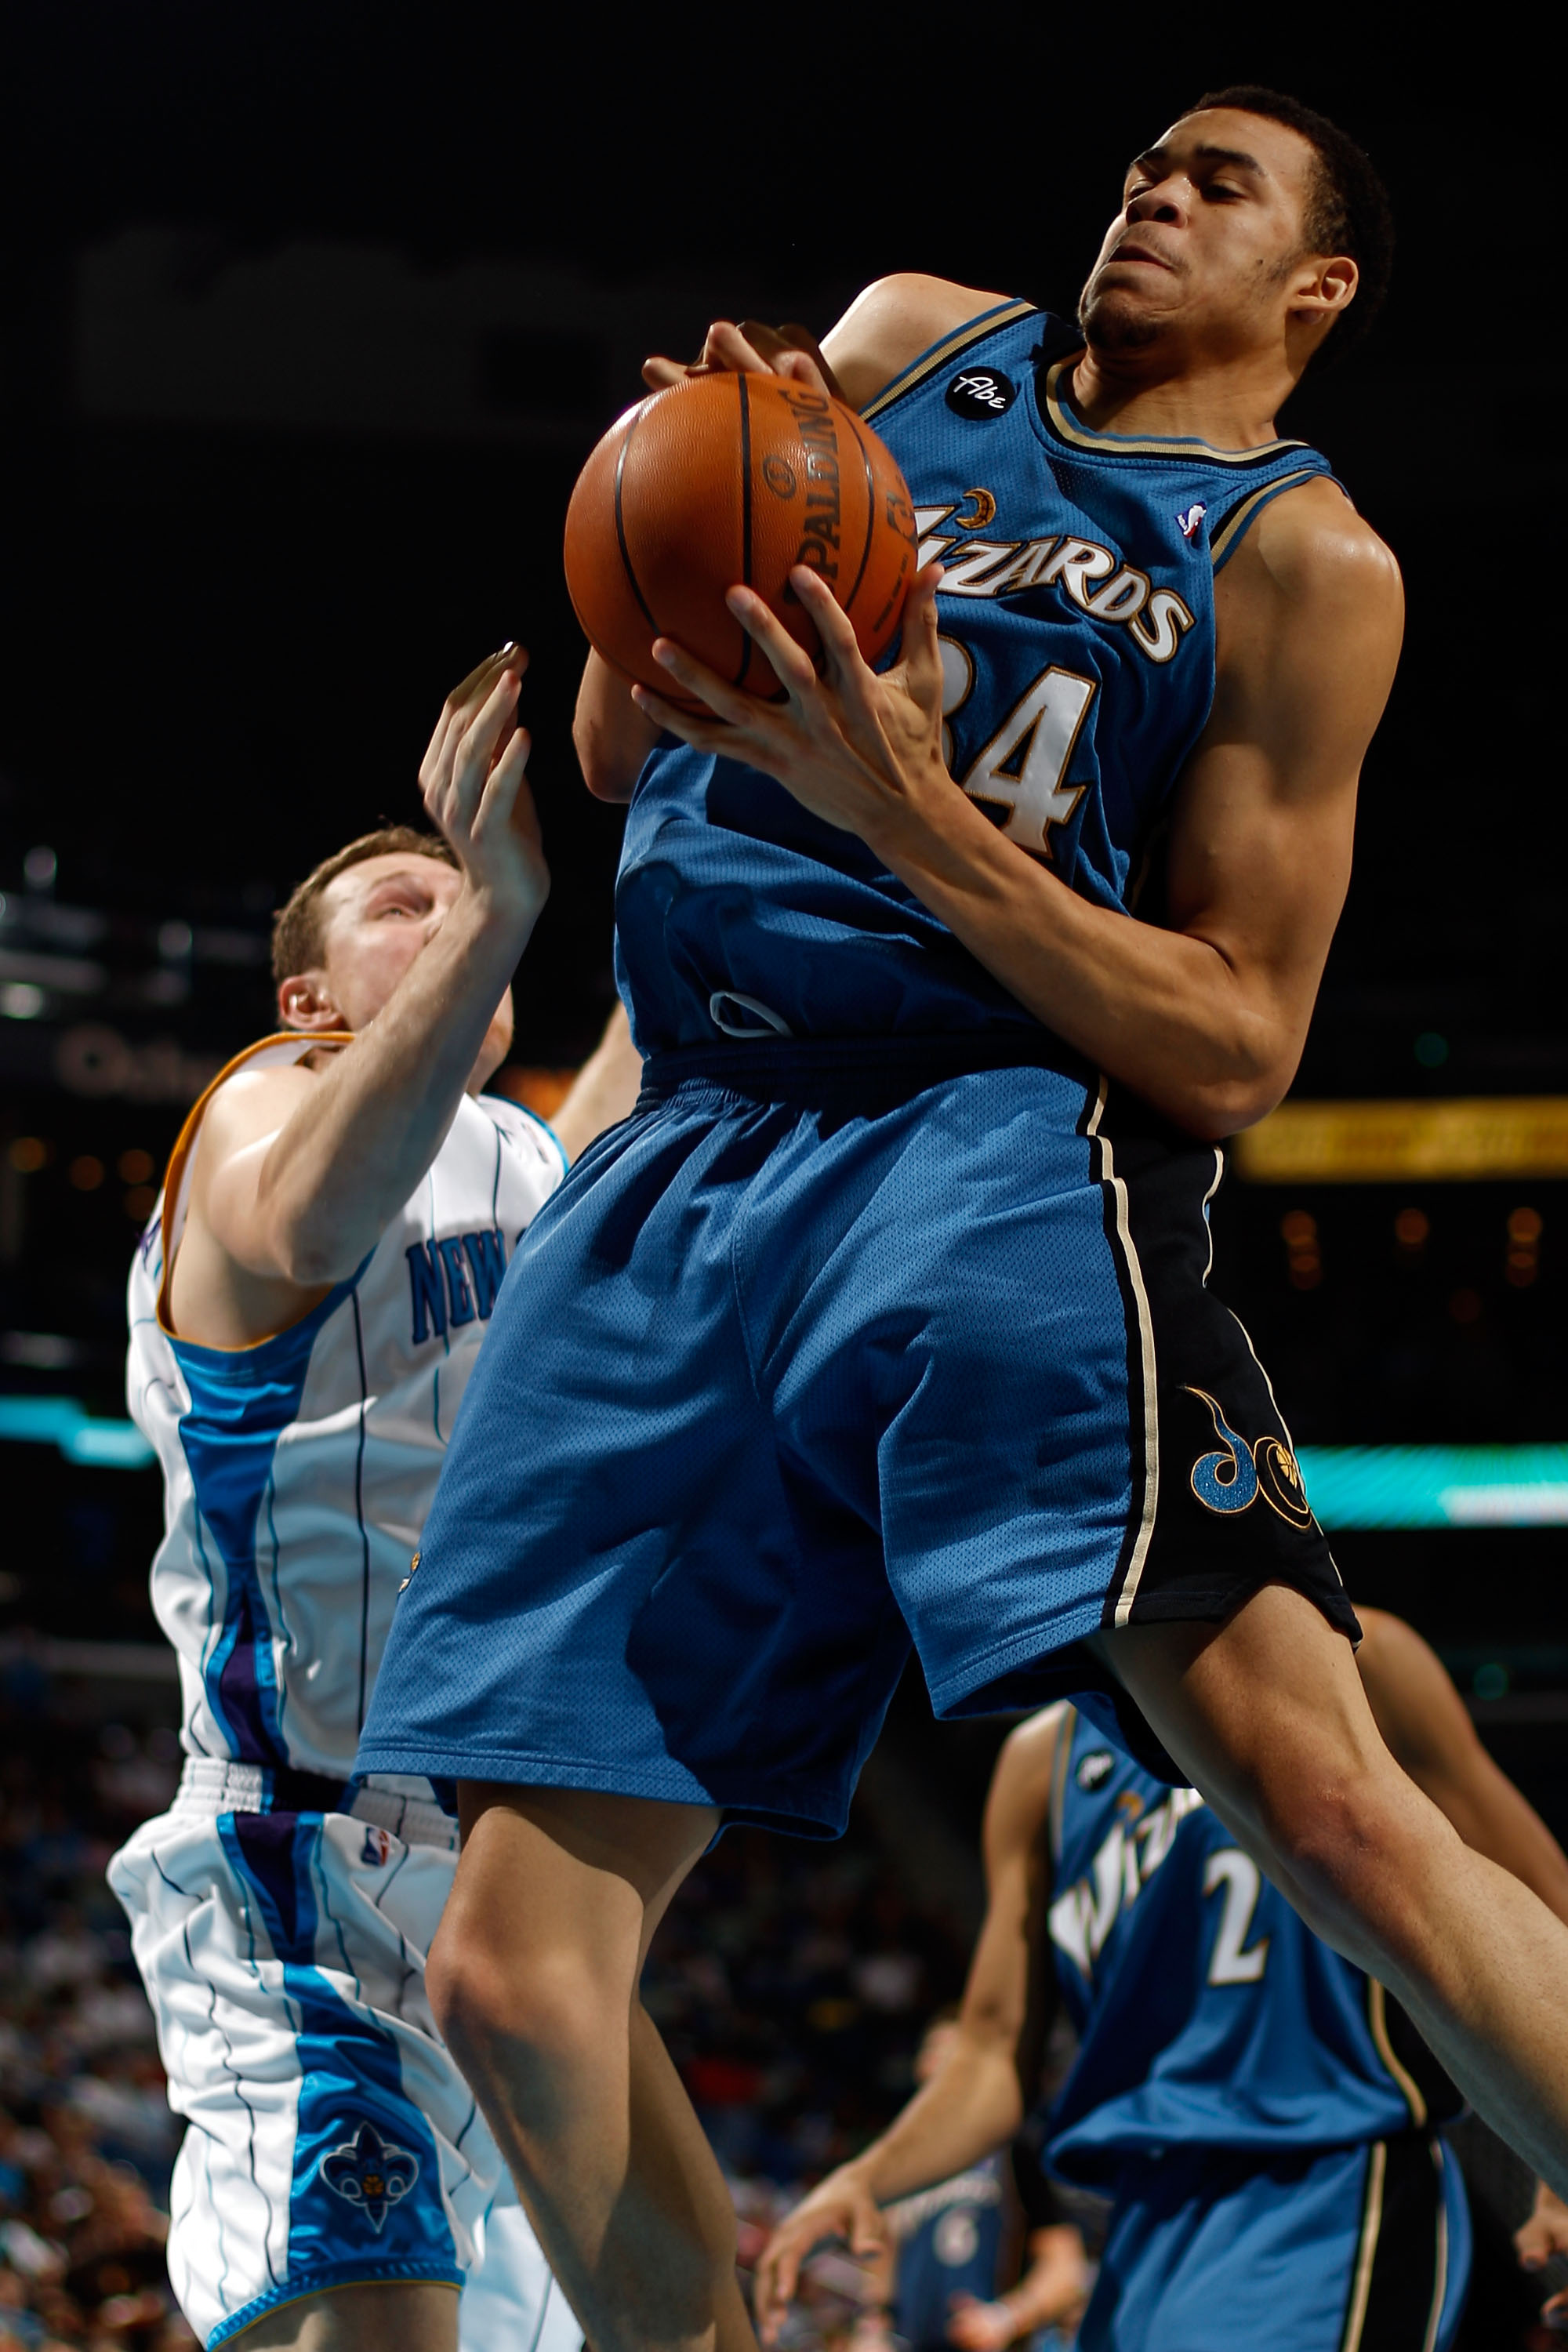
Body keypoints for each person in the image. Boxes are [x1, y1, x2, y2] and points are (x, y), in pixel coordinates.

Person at [355, 88, 1568, 2349]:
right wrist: (675, 517)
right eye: (1142, 164)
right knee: (509, 1980)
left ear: (1320, 290)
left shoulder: (1305, 566)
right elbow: (630, 751)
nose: (1151, 194)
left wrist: (909, 814)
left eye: (1219, 184)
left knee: (1328, 1803)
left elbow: (1230, 1045)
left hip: (990, 1156)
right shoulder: (913, 349)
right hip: (691, 1149)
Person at [108, 645, 642, 2351]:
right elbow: (310, 1233)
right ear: (312, 1002)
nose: (449, 909)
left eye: (456, 899)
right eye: (402, 906)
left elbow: (655, 1072)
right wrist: (490, 900)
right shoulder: (261, 1120)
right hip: (305, 1870)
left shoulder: (523, 1153)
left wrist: (731, 795)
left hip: (513, 1887)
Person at [757, 1609, 1568, 2348]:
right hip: (1141, 2226)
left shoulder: (1363, 1659)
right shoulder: (1039, 1764)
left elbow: (1542, 1902)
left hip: (1325, 2192)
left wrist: (1552, 2154)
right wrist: (869, 2173)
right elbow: (989, 2052)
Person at [842, 2013, 1090, 2352]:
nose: (940, 2062)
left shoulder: (1013, 2147)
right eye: (932, 2050)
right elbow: (883, 2258)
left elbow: (1065, 2270)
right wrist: (872, 2328)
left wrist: (1007, 2317)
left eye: (954, 2052)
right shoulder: (902, 2161)